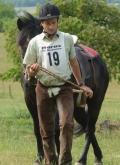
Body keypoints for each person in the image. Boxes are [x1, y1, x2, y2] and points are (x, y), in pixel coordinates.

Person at [23, 3, 93, 165]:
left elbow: (73, 62)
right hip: (43, 89)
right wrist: (32, 71)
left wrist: (81, 83)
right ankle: (51, 161)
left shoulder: (67, 39)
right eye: (47, 23)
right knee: (46, 130)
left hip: (64, 88)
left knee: (67, 124)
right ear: (42, 24)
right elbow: (28, 69)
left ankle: (65, 161)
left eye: (53, 22)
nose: (51, 25)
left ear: (57, 22)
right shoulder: (35, 42)